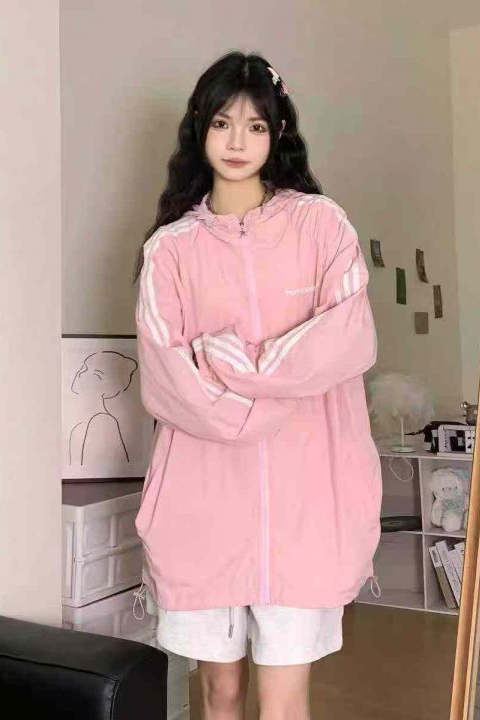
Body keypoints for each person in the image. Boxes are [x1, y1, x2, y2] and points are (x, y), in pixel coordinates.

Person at [131, 50, 382, 720]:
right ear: (200, 129)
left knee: (283, 700)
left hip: (309, 507)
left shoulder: (321, 226)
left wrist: (236, 366)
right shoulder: (171, 250)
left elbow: (348, 338)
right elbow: (169, 381)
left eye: (255, 125)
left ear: (277, 134)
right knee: (219, 694)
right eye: (222, 123)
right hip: (202, 507)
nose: (237, 141)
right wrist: (283, 387)